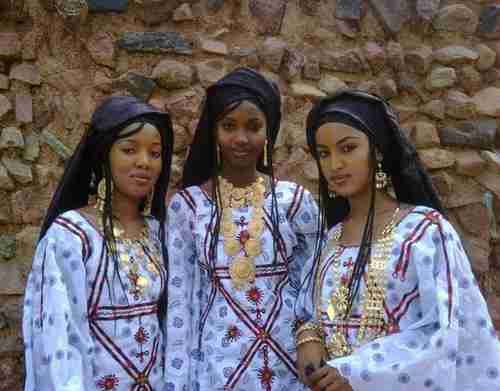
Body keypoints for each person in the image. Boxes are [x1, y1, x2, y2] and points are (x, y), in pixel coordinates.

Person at [295, 89, 500, 391]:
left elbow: (445, 329)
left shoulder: (425, 232)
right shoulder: (331, 239)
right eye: (324, 154)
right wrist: (308, 341)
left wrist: (355, 372)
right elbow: (311, 313)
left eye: (347, 148)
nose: (335, 164)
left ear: (377, 151)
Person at [165, 67, 318, 390]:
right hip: (218, 369)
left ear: (268, 131)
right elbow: (182, 302)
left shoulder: (294, 201)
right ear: (214, 132)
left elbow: (315, 288)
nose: (241, 138)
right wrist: (179, 382)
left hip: (287, 368)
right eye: (228, 126)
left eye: (254, 126)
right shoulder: (188, 207)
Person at [23, 96, 174, 391]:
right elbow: (57, 340)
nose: (144, 162)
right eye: (129, 150)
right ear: (103, 155)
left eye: (155, 153)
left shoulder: (159, 233)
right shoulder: (72, 235)